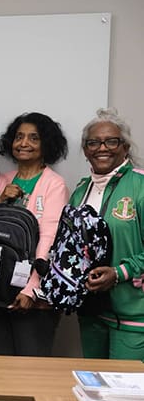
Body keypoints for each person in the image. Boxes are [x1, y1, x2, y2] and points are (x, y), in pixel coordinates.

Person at [0, 112, 70, 357]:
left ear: (46, 145)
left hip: (32, 297)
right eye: (19, 137)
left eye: (33, 138)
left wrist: (31, 288)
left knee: (30, 369)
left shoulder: (54, 184)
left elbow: (51, 238)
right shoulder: (1, 181)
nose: (24, 143)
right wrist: (0, 199)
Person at [68, 108, 143, 361]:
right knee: (94, 390)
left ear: (125, 147)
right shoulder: (80, 190)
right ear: (86, 149)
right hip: (91, 311)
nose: (102, 148)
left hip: (133, 312)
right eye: (94, 142)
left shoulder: (141, 185)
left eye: (111, 141)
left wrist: (120, 272)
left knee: (125, 395)